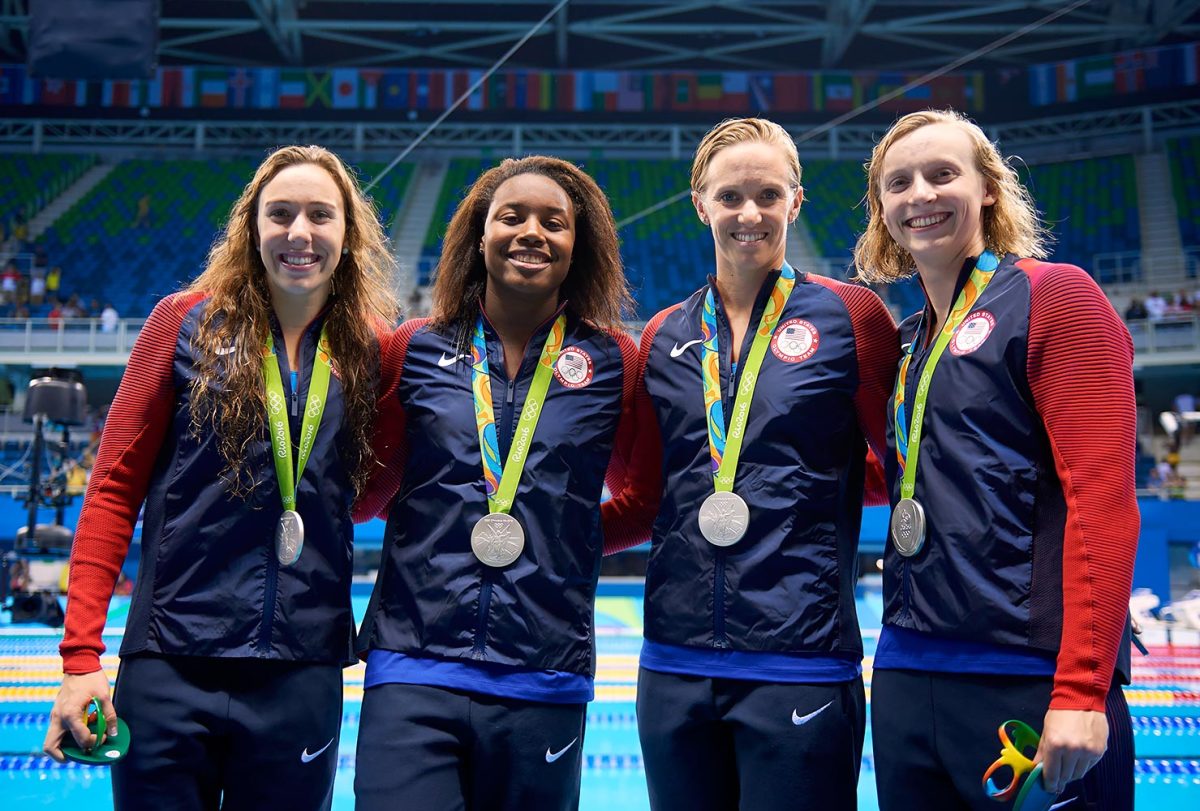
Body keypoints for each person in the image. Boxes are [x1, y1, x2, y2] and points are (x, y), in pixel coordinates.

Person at [43, 144, 399, 811]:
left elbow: (366, 495)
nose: (299, 232)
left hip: (301, 667)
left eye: (320, 215)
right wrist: (81, 659)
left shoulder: (374, 348)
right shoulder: (182, 322)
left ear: (349, 234)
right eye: (280, 213)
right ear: (251, 228)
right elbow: (113, 488)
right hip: (171, 661)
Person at [603, 117, 898, 809]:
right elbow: (649, 497)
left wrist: (810, 497)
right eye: (730, 196)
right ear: (700, 203)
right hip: (673, 662)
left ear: (795, 201)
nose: (749, 213)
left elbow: (904, 465)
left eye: (768, 195)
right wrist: (542, 539)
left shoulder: (852, 317)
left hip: (801, 657)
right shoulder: (665, 334)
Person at [852, 109, 1137, 809]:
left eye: (942, 174)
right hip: (907, 672)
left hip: (1026, 673)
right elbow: (907, 475)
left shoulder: (1055, 297)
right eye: (899, 183)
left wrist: (1082, 690)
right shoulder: (909, 342)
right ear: (881, 208)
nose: (920, 194)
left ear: (987, 188)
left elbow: (1102, 500)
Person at [352, 155, 639, 811]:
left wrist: (559, 536)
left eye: (554, 222)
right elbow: (369, 495)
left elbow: (645, 501)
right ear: (479, 236)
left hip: (544, 670)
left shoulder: (613, 360)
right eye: (512, 217)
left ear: (578, 245)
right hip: (414, 666)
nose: (531, 232)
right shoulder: (414, 347)